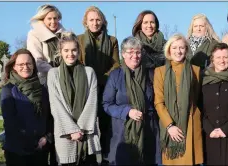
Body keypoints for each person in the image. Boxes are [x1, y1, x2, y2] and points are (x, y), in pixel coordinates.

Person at [102, 36, 161, 165]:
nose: (135, 56)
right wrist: (127, 111)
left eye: (138, 52)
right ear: (123, 54)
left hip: (148, 129)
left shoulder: (151, 74)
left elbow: (158, 101)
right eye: (130, 52)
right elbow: (107, 105)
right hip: (123, 131)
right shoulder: (115, 75)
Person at [47, 31, 101, 166]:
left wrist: (81, 129)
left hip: (86, 133)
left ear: (79, 51)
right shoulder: (53, 74)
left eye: (74, 50)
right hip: (66, 134)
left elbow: (92, 102)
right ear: (60, 51)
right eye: (66, 50)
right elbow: (56, 105)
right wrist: (72, 131)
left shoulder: (89, 72)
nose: (70, 54)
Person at [77, 7, 120, 161]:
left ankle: (107, 158)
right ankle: (88, 159)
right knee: (87, 125)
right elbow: (78, 63)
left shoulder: (113, 40)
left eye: (98, 19)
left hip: (106, 88)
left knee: (106, 125)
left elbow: (115, 65)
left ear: (103, 21)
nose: (95, 23)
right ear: (86, 22)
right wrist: (90, 79)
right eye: (91, 20)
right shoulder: (79, 39)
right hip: (86, 89)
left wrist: (101, 79)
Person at [154, 34, 203, 165]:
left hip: (191, 123)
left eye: (182, 47)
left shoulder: (196, 70)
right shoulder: (159, 71)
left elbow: (196, 97)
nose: (178, 51)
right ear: (169, 50)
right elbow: (159, 102)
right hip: (169, 126)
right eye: (174, 47)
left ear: (186, 50)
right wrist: (170, 126)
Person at [0, 49, 53, 166]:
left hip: (41, 149)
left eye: (29, 63)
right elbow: (10, 123)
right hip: (18, 152)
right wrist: (31, 143)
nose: (26, 67)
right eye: (21, 64)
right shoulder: (8, 90)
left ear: (33, 65)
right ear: (14, 66)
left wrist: (46, 138)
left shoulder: (42, 89)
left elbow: (49, 117)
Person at [27, 4, 65, 85]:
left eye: (55, 18)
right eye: (49, 19)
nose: (53, 22)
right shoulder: (34, 34)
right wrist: (56, 72)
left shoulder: (65, 35)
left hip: (65, 78)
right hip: (44, 80)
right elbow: (37, 61)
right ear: (42, 19)